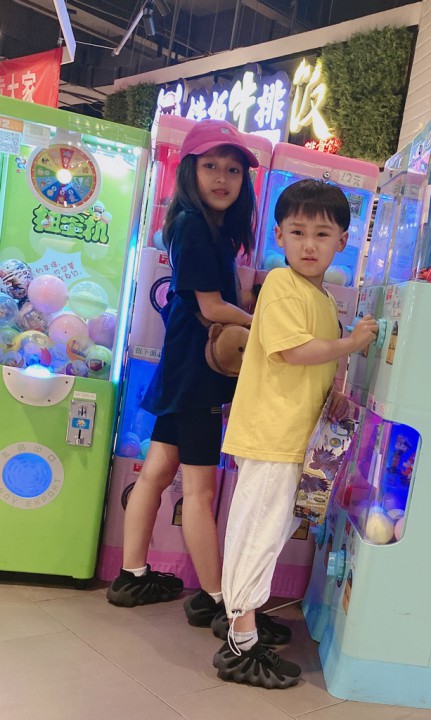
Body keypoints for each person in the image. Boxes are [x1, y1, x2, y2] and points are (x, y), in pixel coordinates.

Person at [212, 179, 378, 689]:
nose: (309, 244)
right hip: (273, 433)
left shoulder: (317, 295)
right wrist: (351, 344)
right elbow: (292, 350)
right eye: (298, 232)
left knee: (267, 530)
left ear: (342, 241)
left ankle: (243, 620)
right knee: (259, 534)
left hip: (291, 435)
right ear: (279, 236)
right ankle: (240, 643)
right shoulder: (284, 285)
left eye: (322, 234)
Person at [107, 119, 255, 631]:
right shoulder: (195, 227)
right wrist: (263, 324)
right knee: (200, 491)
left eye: (233, 170)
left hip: (182, 369)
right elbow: (211, 308)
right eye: (210, 165)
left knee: (155, 473)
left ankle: (131, 575)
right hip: (198, 376)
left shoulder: (201, 226)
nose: (222, 177)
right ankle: (215, 599)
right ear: (190, 170)